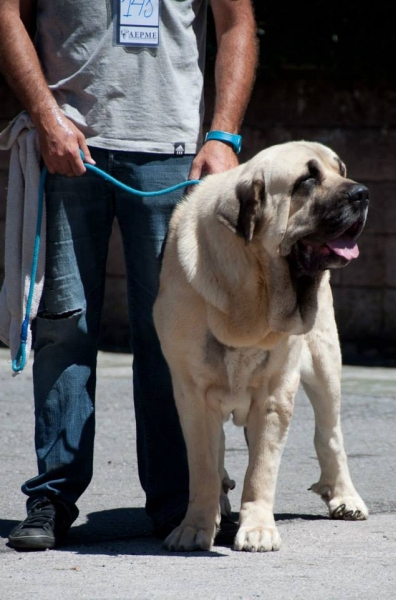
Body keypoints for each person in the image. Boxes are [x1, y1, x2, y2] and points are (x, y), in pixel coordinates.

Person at [0, 0, 258, 550]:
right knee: (62, 324)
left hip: (172, 153)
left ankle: (183, 500)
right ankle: (52, 495)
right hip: (69, 144)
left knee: (176, 336)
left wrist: (224, 134)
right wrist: (46, 116)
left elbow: (237, 22)